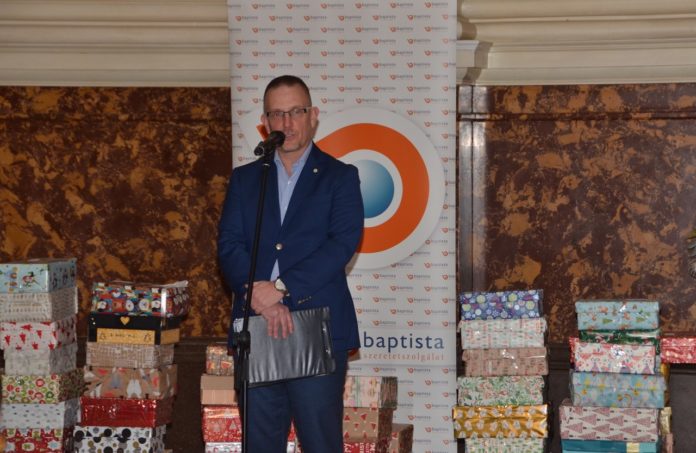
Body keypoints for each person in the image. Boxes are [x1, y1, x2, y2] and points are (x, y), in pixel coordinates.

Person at [218, 75, 364, 452]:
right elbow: (229, 245)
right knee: (260, 443)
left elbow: (342, 243)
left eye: (296, 111)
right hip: (256, 325)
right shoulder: (246, 179)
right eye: (277, 114)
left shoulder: (340, 176)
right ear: (265, 122)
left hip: (316, 325)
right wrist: (258, 297)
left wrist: (281, 289)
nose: (287, 123)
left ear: (313, 115)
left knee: (320, 442)